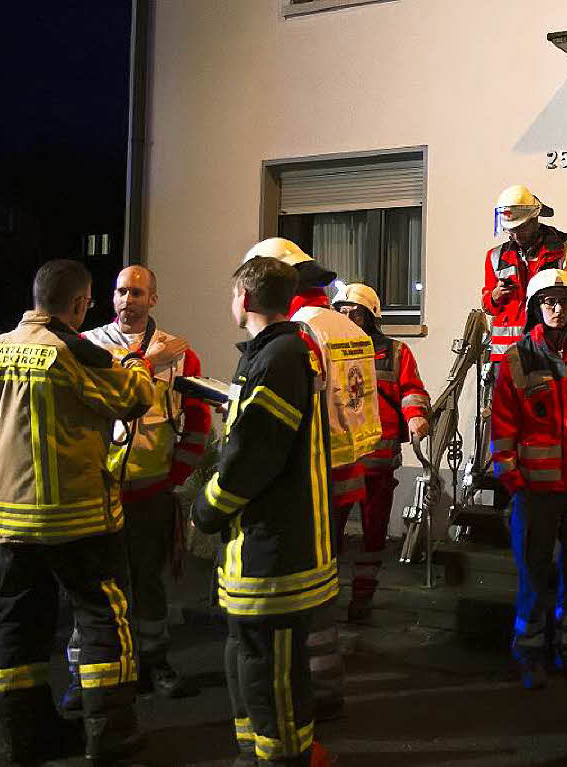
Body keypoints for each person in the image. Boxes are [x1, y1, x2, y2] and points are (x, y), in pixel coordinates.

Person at [0, 259, 159, 763]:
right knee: (105, 618)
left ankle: (23, 737)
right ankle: (112, 736)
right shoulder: (73, 352)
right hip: (78, 516)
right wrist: (141, 363)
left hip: (9, 517)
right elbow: (133, 397)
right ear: (80, 304)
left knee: (18, 626)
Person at [192, 256, 338, 767]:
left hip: (271, 551)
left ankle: (279, 760)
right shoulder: (277, 352)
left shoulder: (277, 358)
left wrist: (206, 508)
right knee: (254, 661)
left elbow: (255, 454)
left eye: (234, 294)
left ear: (246, 299)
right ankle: (255, 753)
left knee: (270, 671)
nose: (231, 302)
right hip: (263, 545)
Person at [242, 236, 382, 722]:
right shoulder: (344, 325)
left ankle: (307, 689)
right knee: (325, 581)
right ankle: (327, 679)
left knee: (299, 594)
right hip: (346, 473)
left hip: (306, 481)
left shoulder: (297, 334)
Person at [59, 265, 208, 708]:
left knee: (149, 583)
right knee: (95, 584)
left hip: (151, 490)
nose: (128, 300)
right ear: (111, 296)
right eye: (121, 291)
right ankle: (85, 674)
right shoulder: (87, 346)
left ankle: (154, 662)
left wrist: (175, 477)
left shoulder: (182, 355)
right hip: (99, 490)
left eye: (138, 293)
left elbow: (197, 421)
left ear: (153, 300)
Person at [490, 269, 567, 690]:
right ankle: (529, 653)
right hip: (535, 492)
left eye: (564, 301)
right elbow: (503, 426)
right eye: (549, 302)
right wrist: (512, 481)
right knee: (533, 575)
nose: (557, 309)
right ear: (535, 308)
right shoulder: (517, 360)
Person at [332, 283, 430, 621]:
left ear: (370, 316)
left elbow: (412, 391)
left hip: (379, 464)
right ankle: (325, 597)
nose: (347, 317)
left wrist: (416, 418)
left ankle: (362, 597)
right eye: (341, 311)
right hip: (342, 462)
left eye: (354, 311)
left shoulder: (396, 352)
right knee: (330, 534)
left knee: (373, 534)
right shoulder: (329, 349)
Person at [482, 184, 567, 363]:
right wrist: (495, 296)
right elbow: (488, 307)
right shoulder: (495, 257)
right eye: (511, 230)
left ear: (535, 219)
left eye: (521, 228)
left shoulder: (566, 253)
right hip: (505, 358)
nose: (516, 235)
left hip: (550, 355)